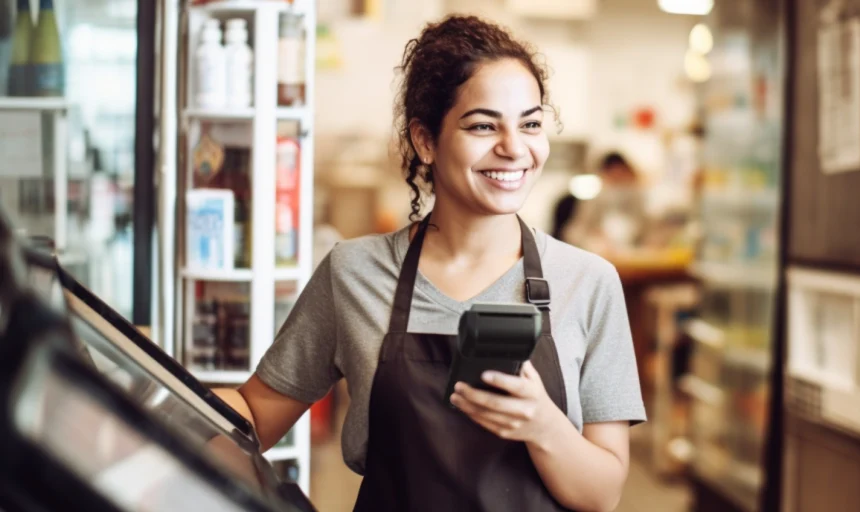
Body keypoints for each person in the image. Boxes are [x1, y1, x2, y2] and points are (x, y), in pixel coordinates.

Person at [214, 15, 645, 512]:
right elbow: (255, 413)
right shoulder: (354, 272)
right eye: (483, 125)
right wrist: (138, 403)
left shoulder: (587, 283)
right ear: (425, 140)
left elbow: (604, 495)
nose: (513, 148)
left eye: (530, 123)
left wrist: (543, 425)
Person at [561, 152, 647, 253]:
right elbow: (574, 232)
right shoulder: (594, 201)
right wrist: (592, 238)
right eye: (613, 175)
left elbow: (647, 232)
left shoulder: (637, 199)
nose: (618, 179)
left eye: (621, 174)